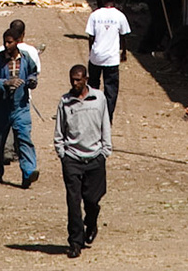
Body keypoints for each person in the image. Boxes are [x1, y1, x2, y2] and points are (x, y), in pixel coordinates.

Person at [54, 64, 111, 258]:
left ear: (86, 79)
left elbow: (105, 124)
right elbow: (59, 131)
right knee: (73, 202)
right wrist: (62, 153)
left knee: (92, 199)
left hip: (95, 157)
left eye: (78, 79)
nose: (74, 83)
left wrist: (105, 151)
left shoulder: (99, 98)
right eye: (72, 79)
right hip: (72, 159)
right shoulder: (65, 102)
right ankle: (75, 242)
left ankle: (91, 222)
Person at [0, 26, 40, 187]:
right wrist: (5, 83)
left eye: (9, 42)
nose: (6, 45)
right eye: (5, 42)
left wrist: (31, 81)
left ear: (17, 42)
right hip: (0, 108)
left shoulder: (26, 58)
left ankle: (28, 172)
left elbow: (33, 73)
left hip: (20, 107)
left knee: (24, 138)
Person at [84, 0, 131, 118]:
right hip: (112, 59)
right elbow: (123, 36)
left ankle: (92, 114)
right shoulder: (120, 16)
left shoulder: (95, 15)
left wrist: (91, 52)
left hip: (96, 57)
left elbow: (91, 37)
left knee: (93, 86)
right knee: (111, 89)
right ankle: (107, 116)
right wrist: (124, 52)